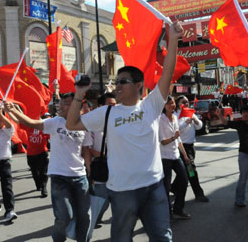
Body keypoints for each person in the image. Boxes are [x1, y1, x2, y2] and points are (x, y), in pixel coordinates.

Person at [66, 21, 183, 242]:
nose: (117, 85)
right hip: (122, 192)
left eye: (123, 81)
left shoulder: (151, 104)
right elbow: (72, 124)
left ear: (139, 85)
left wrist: (173, 39)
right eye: (117, 82)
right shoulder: (107, 113)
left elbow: (167, 71)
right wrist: (79, 94)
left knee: (162, 237)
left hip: (154, 187)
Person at [4, 93, 92, 242]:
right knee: (64, 216)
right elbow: (31, 123)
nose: (60, 106)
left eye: (65, 103)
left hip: (80, 177)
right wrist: (12, 110)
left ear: (76, 105)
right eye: (60, 102)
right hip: (59, 176)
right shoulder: (55, 122)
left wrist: (90, 173)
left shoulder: (84, 124)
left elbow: (86, 151)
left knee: (84, 216)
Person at [83, 92, 117, 229]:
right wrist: (90, 170)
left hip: (117, 167)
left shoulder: (119, 122)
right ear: (101, 106)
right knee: (102, 199)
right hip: (101, 168)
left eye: (115, 105)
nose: (114, 108)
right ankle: (90, 221)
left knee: (116, 199)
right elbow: (88, 149)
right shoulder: (92, 124)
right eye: (110, 105)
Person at [159, 95, 191, 219]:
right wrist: (174, 137)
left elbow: (179, 140)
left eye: (173, 103)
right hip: (165, 157)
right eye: (169, 104)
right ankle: (167, 212)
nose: (172, 105)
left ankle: (178, 208)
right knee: (166, 186)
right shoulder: (161, 119)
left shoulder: (175, 118)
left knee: (184, 180)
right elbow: (163, 141)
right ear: (164, 106)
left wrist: (184, 154)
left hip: (176, 155)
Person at [173, 95, 209, 202]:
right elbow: (176, 130)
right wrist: (185, 123)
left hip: (191, 146)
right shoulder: (175, 115)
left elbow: (200, 126)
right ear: (178, 104)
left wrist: (195, 120)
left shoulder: (190, 112)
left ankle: (174, 187)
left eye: (187, 102)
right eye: (183, 102)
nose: (186, 103)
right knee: (191, 170)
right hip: (182, 147)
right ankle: (198, 193)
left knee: (185, 170)